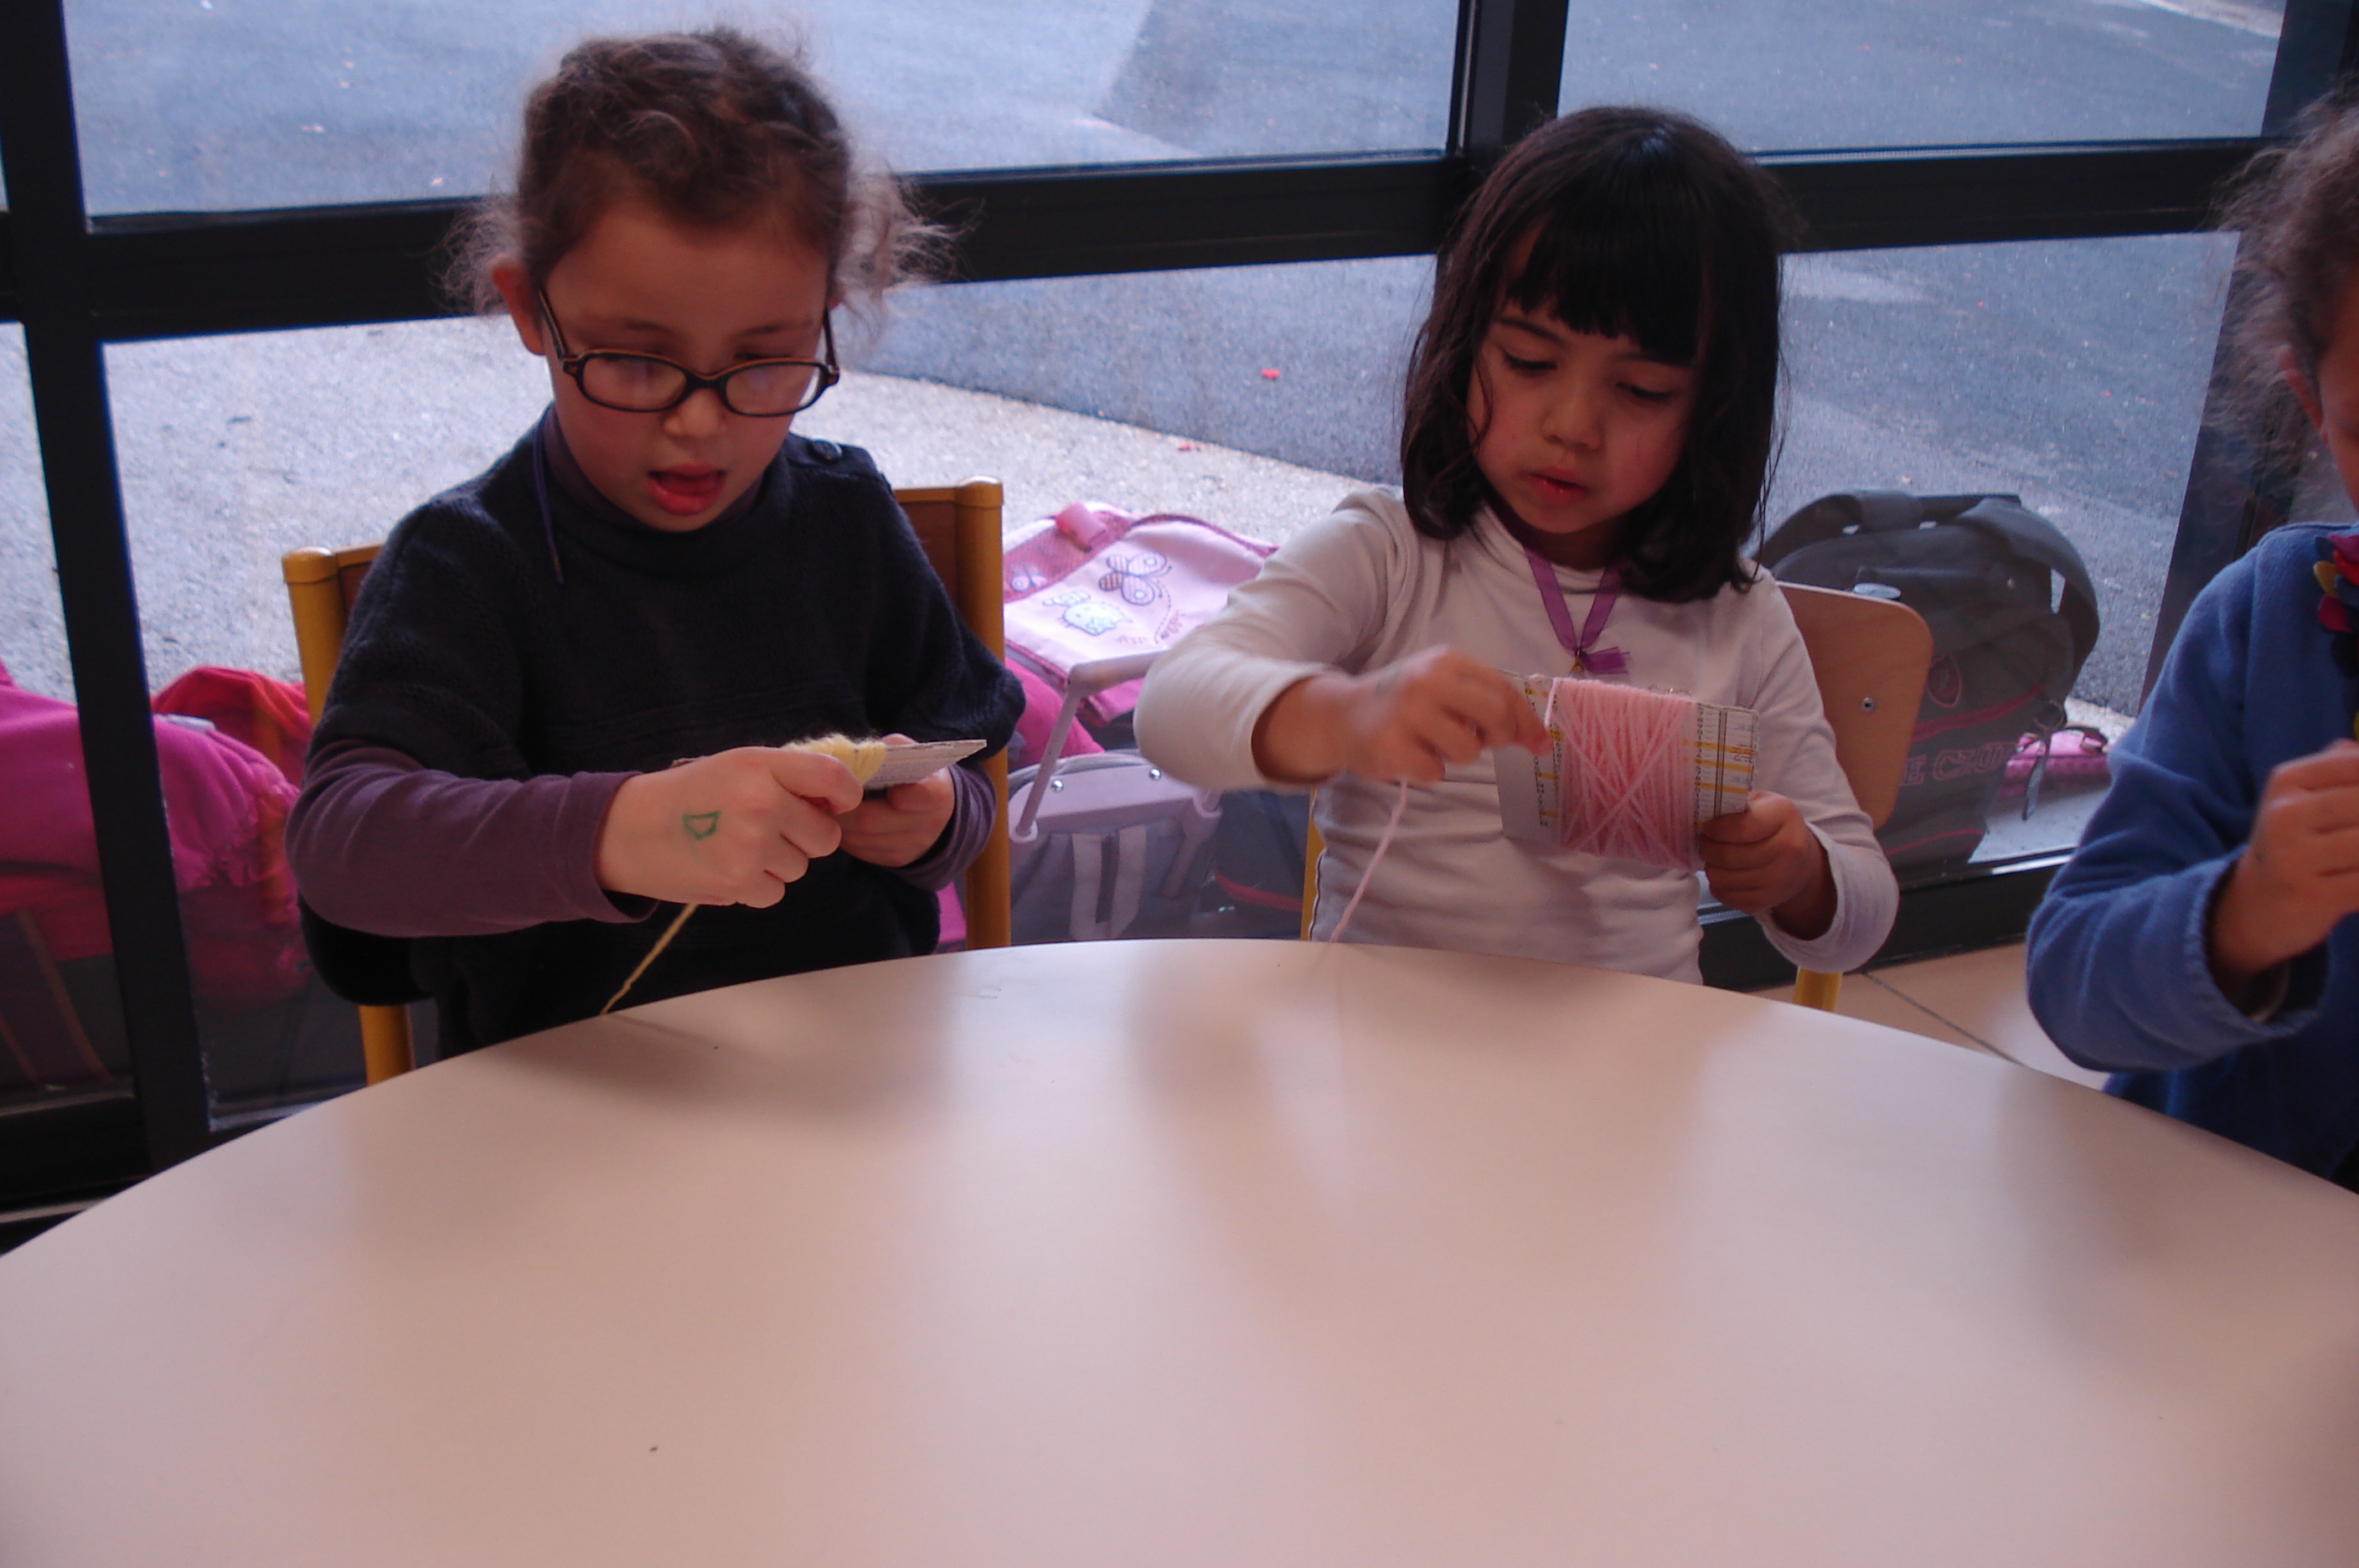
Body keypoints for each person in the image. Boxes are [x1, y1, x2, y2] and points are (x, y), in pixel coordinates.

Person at [287, 29, 1020, 1054]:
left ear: (826, 316)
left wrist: (935, 820)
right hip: (572, 1122)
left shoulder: (847, 519)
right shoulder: (468, 567)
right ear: (530, 310)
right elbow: (342, 847)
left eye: (764, 362)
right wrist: (623, 832)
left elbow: (968, 776)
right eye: (636, 362)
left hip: (852, 1087)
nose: (698, 422)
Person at [1133, 108, 1896, 981]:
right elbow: (1172, 705)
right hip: (1389, 1056)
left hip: (1627, 1074)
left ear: (1712, 407)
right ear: (1463, 349)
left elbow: (1861, 914)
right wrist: (1344, 715)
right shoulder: (1390, 556)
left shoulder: (1738, 616)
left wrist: (1800, 875)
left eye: (1641, 390)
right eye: (1530, 363)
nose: (1572, 426)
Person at [2026, 92, 2359, 1184]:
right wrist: (2248, 913)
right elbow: (2072, 979)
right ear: (2312, 407)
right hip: (2210, 1236)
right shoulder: (2273, 624)